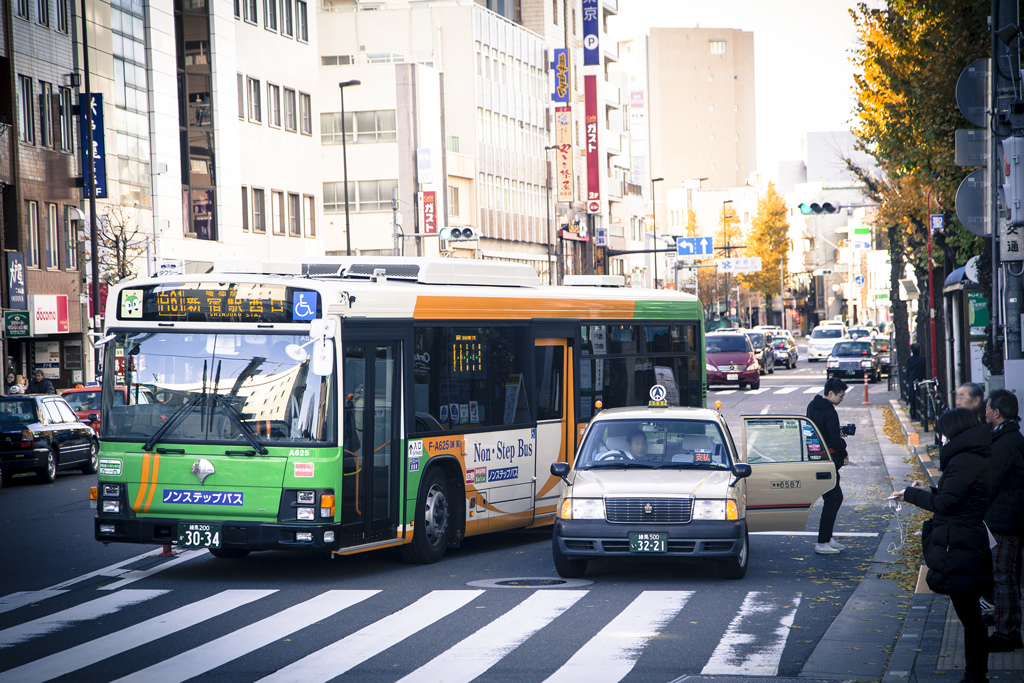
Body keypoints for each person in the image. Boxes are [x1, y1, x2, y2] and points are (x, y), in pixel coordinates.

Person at [891, 408, 992, 682]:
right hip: (964, 538)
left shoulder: (963, 461)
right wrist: (926, 492)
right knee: (970, 612)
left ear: (955, 430)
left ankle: (975, 675)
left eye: (944, 431)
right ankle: (976, 672)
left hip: (960, 542)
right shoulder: (972, 457)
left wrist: (912, 495)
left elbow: (947, 504)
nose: (942, 437)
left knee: (969, 616)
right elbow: (956, 497)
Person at [984, 389, 1024, 652]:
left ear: (996, 413)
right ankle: (1005, 623)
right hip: (1008, 516)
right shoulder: (1011, 438)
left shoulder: (1006, 442)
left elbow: (990, 481)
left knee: (1003, 576)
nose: (984, 413)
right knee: (1005, 575)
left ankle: (1006, 633)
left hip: (1006, 520)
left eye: (987, 409)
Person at [806, 377, 849, 555]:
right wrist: (844, 450)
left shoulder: (811, 405)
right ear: (830, 393)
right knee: (833, 499)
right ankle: (822, 542)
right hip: (829, 459)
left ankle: (828, 537)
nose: (841, 399)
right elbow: (833, 439)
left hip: (815, 455)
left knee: (834, 498)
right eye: (840, 396)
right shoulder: (831, 412)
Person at [906, 343, 926, 420]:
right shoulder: (923, 359)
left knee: (913, 398)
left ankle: (913, 414)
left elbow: (908, 371)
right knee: (921, 397)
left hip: (913, 380)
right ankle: (922, 413)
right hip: (922, 379)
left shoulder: (909, 360)